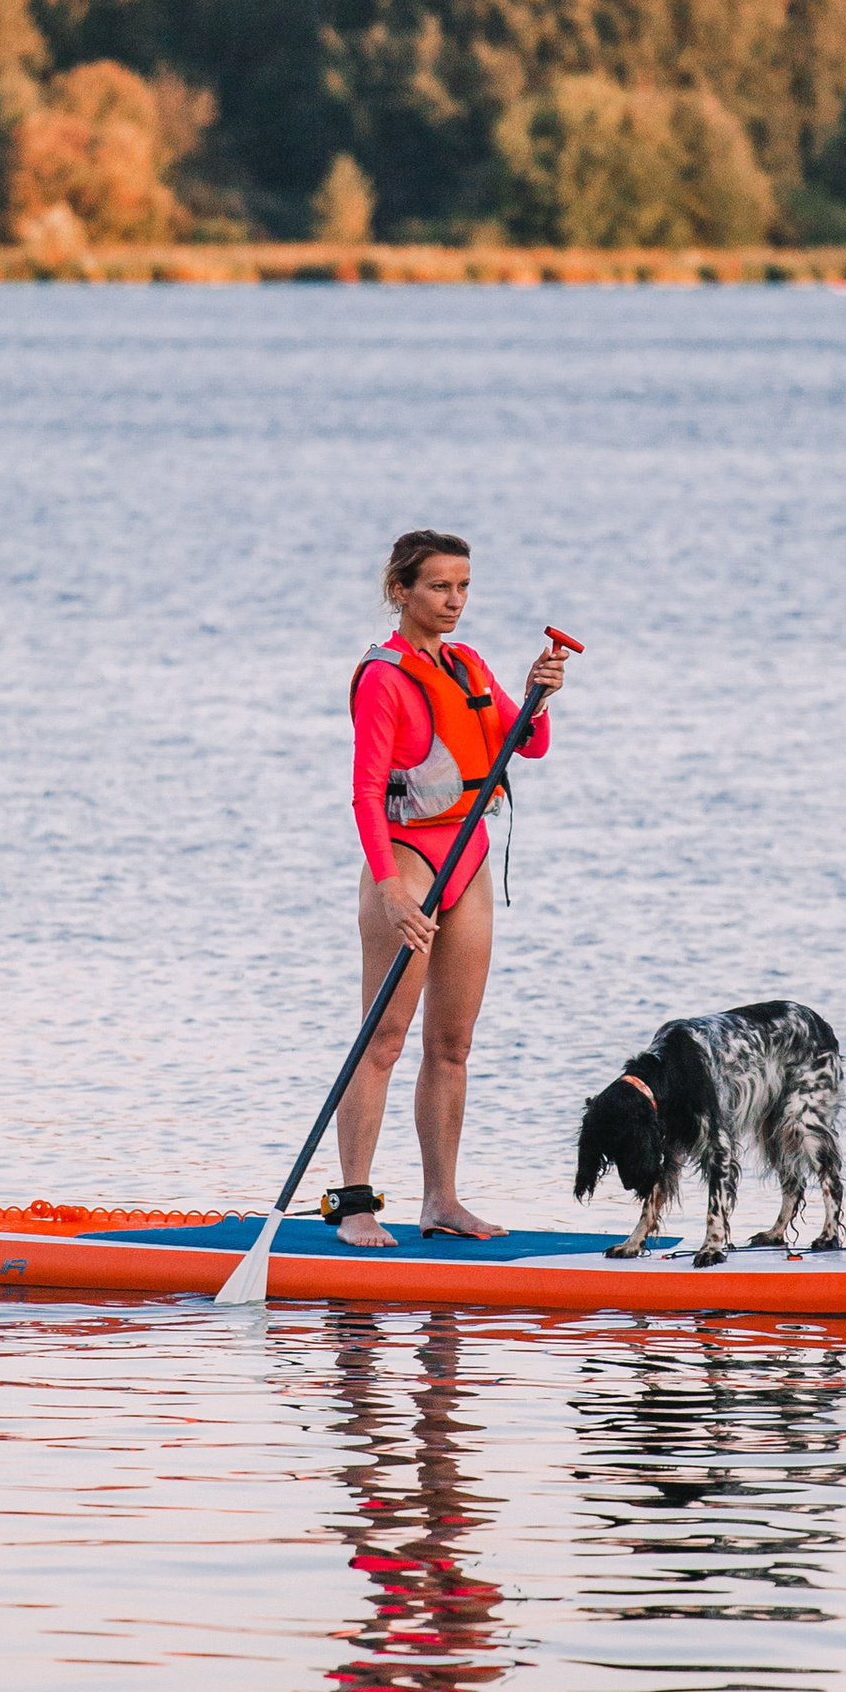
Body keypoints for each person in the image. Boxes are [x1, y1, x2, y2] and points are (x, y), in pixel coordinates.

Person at [333, 529, 570, 1246]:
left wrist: (538, 695)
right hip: (406, 858)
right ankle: (354, 1206)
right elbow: (366, 794)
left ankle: (441, 1200)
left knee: (453, 1044)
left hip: (468, 853)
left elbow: (530, 743)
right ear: (401, 591)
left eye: (463, 587)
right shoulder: (384, 679)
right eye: (439, 587)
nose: (454, 601)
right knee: (384, 1039)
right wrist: (390, 891)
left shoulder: (467, 665)